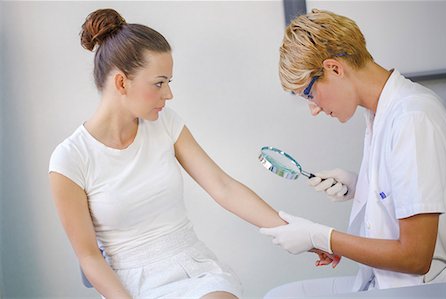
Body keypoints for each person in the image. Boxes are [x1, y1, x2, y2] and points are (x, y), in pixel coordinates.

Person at [48, 8, 290, 299]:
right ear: (122, 83)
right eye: (159, 83)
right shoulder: (70, 159)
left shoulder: (166, 123)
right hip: (129, 286)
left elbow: (223, 187)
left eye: (168, 83)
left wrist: (297, 232)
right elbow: (88, 258)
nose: (168, 95)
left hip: (194, 269)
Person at [260, 8, 446, 297]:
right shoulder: (380, 113)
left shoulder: (412, 116)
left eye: (309, 94)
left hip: (422, 289)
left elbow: (415, 257)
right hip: (385, 282)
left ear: (334, 68)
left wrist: (322, 237)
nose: (314, 109)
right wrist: (362, 186)